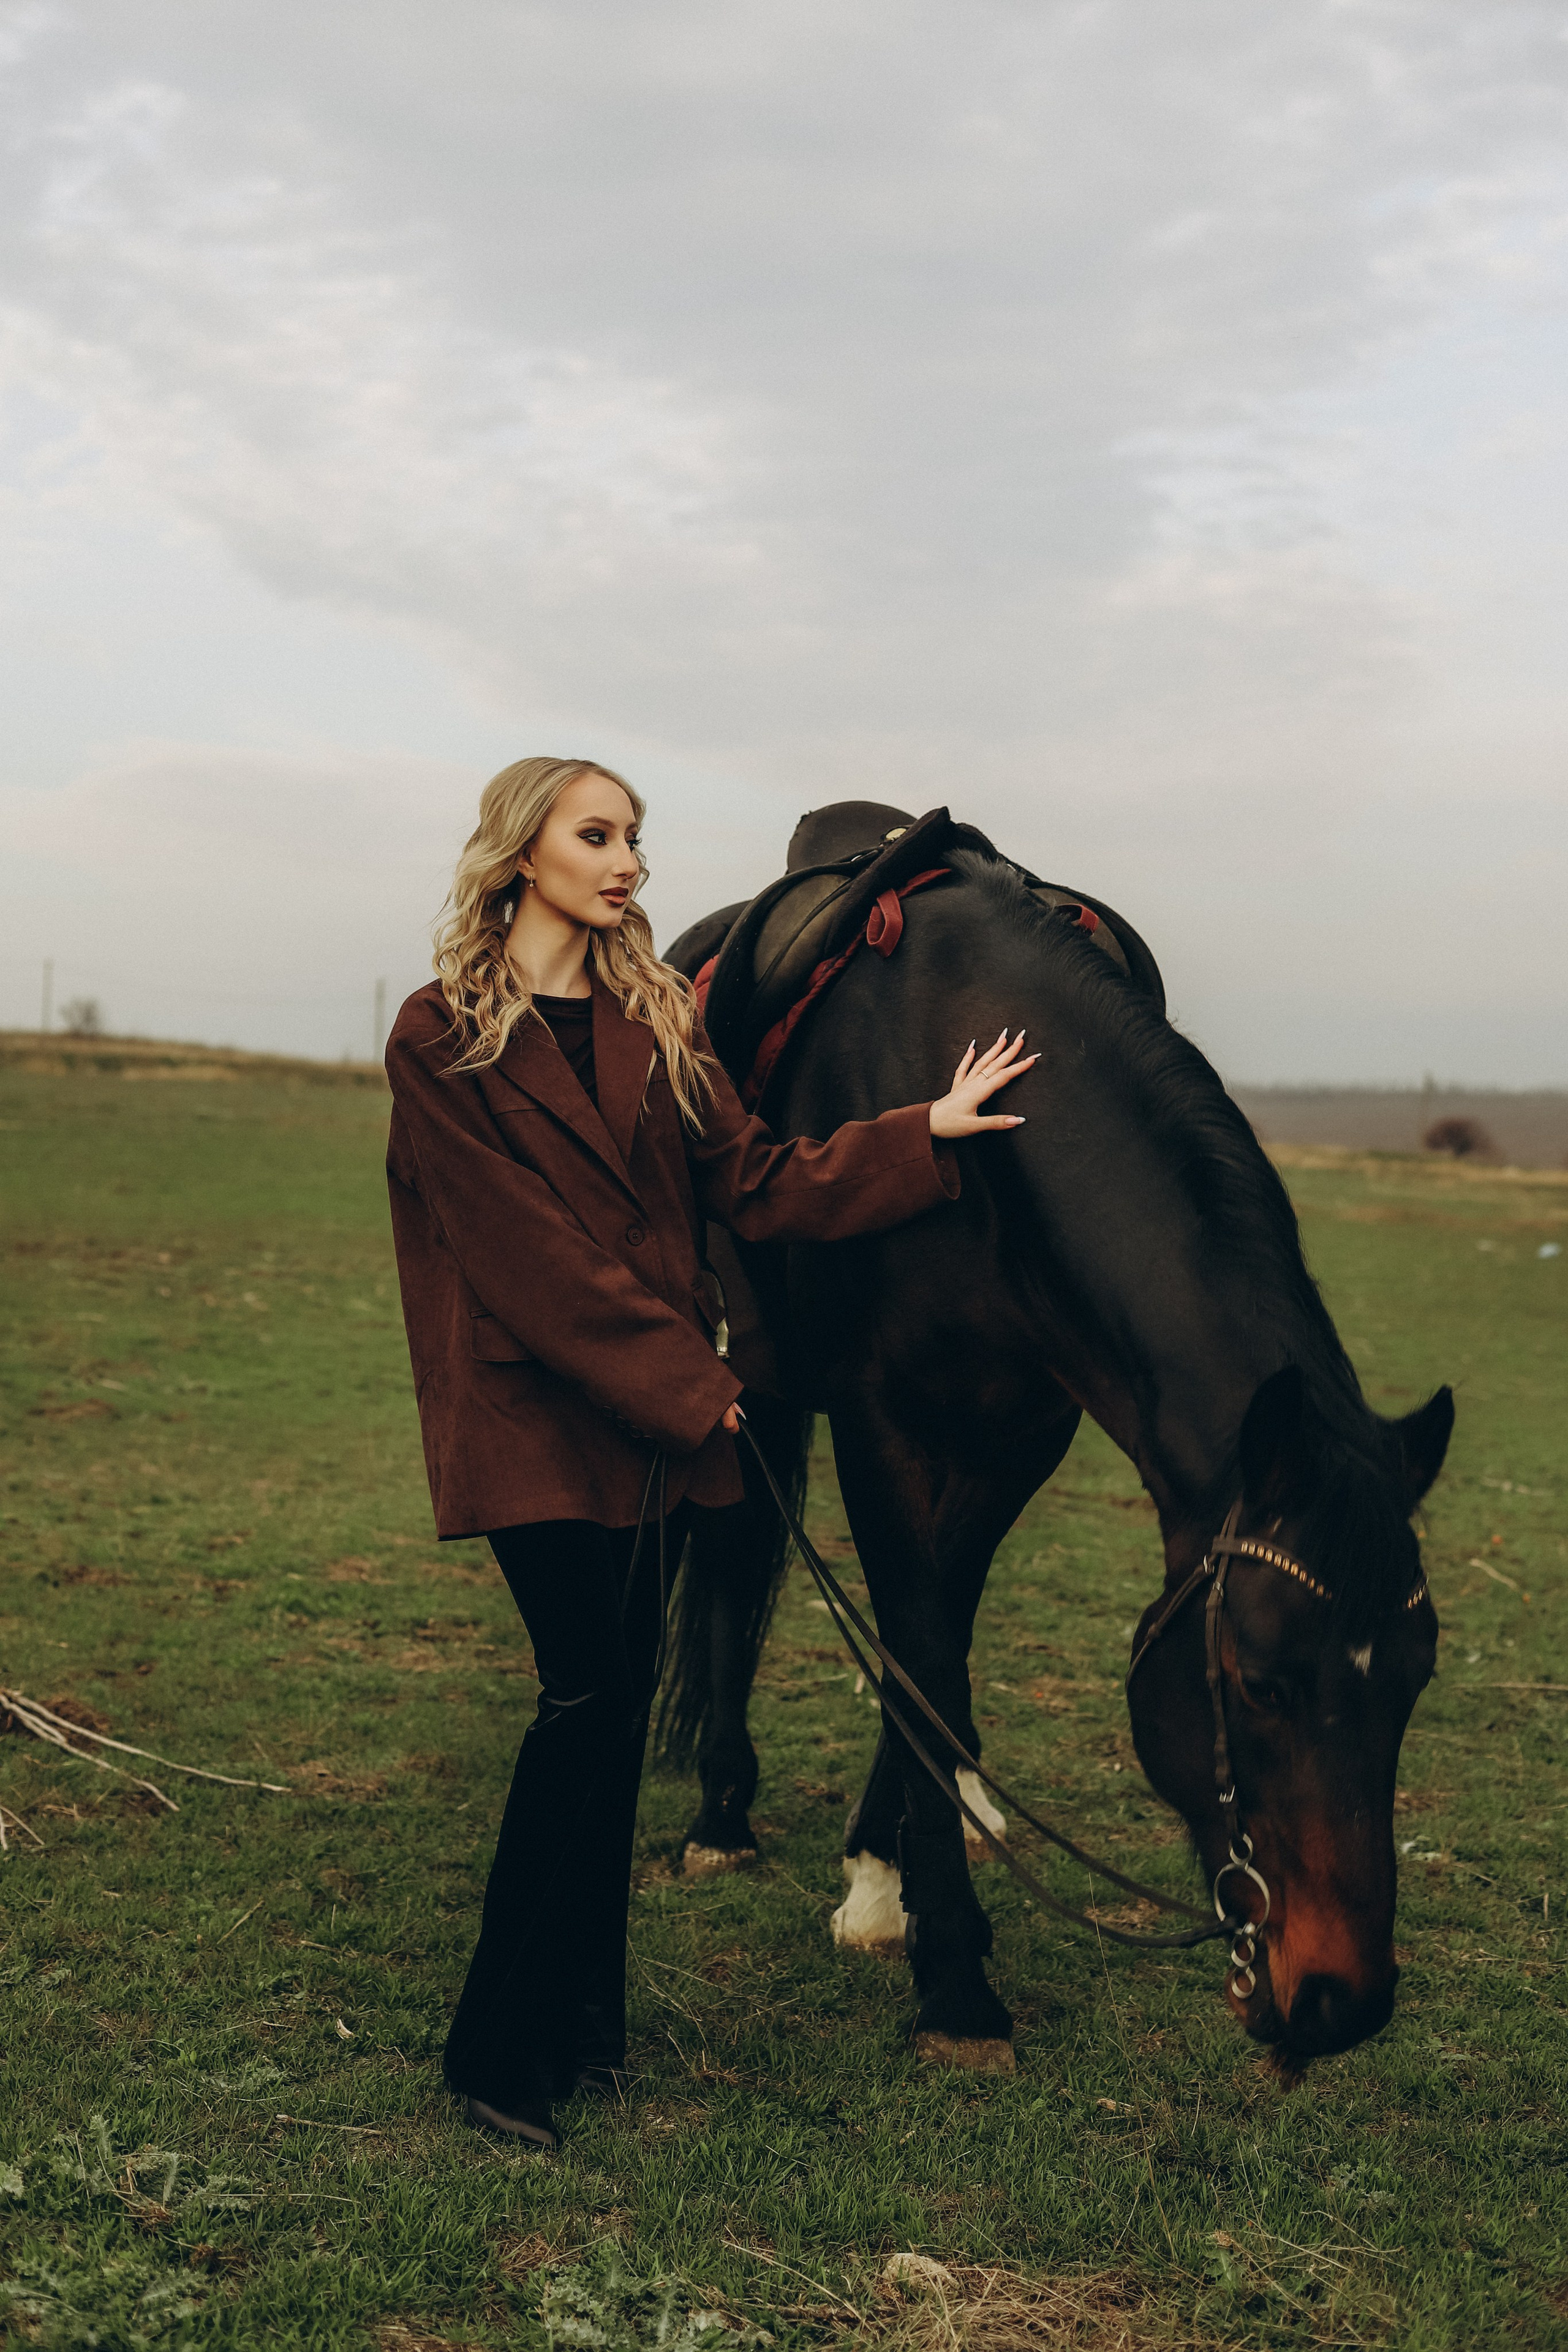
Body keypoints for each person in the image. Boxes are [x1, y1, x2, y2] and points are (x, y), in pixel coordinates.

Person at [384, 756, 1035, 2152]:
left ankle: (583, 2027)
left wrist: (923, 1133)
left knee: (617, 1714)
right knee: (580, 1707)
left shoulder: (654, 1019)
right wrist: (701, 1385)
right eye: (597, 834)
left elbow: (756, 1180)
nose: (628, 861)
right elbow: (527, 1261)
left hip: (650, 1426)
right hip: (537, 1419)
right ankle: (496, 2054)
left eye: (635, 836)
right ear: (522, 854)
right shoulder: (441, 1035)